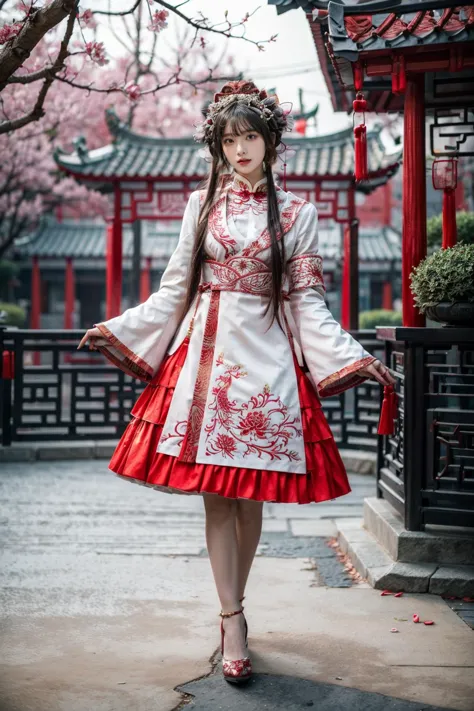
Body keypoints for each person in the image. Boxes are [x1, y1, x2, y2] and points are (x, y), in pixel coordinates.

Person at [78, 79, 396, 685]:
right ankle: (233, 618)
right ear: (218, 146)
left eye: (251, 136)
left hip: (269, 359)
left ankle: (235, 605)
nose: (241, 148)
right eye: (230, 139)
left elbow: (307, 302)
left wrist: (350, 356)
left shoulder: (301, 214)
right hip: (206, 357)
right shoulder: (201, 207)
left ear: (271, 141)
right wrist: (120, 326)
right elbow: (175, 288)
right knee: (216, 497)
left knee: (248, 500)